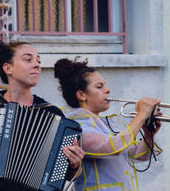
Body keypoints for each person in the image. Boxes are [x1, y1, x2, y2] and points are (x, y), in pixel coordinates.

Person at [0, 40, 85, 191]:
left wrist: (75, 165)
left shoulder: (52, 113)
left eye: (38, 61)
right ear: (8, 68)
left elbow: (72, 175)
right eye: (28, 59)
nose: (37, 65)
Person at [54, 57, 162, 191]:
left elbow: (139, 156)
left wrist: (148, 135)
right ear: (82, 95)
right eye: (99, 87)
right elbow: (114, 148)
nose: (108, 90)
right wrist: (141, 116)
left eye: (105, 85)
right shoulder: (75, 127)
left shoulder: (106, 124)